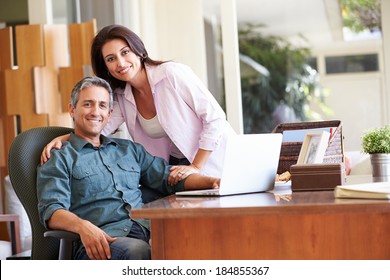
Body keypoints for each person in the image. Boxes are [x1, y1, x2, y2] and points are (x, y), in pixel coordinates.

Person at [36, 76, 220, 260]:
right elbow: (52, 211)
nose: (95, 111)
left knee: (199, 241)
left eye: (102, 105)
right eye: (87, 104)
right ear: (72, 110)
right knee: (139, 251)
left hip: (147, 231)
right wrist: (83, 226)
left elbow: (170, 178)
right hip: (102, 242)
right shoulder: (59, 157)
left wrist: (213, 182)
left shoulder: (129, 150)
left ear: (109, 114)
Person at [41, 24, 235, 184]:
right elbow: (99, 128)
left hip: (214, 159)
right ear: (106, 68)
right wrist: (62, 139)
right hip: (176, 168)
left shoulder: (171, 74)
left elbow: (215, 119)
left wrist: (196, 166)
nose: (121, 62)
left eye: (125, 52)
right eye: (111, 59)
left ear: (138, 51)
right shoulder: (121, 96)